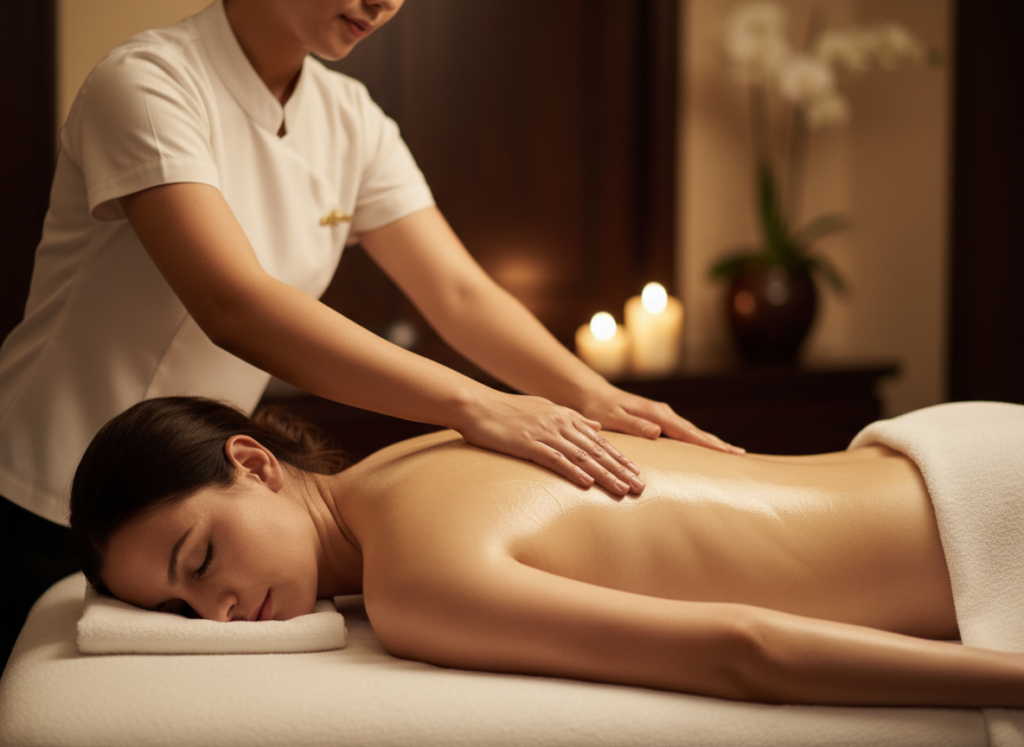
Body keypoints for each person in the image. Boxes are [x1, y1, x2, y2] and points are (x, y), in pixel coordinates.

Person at [0, 0, 737, 667]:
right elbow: (233, 302)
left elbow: (459, 291)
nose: (383, 3)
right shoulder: (147, 84)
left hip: (202, 509)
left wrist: (593, 395)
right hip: (37, 495)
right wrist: (475, 405)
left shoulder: (350, 119)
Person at [69, 397, 1024, 708]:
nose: (221, 613)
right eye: (183, 612)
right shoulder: (420, 450)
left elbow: (746, 649)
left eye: (199, 562)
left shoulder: (414, 583)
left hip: (980, 536)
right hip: (952, 452)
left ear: (253, 463)